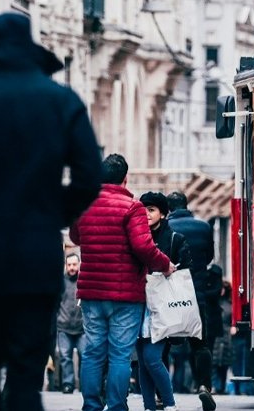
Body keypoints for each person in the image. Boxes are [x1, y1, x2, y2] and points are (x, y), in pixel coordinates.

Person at [0, 11, 104, 411]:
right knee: (26, 370)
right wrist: (56, 213)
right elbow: (89, 174)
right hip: (35, 252)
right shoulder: (61, 101)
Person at [72, 156, 174, 411]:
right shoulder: (132, 207)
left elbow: (75, 236)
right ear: (125, 178)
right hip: (125, 296)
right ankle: (117, 406)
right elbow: (143, 246)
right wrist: (166, 264)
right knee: (119, 355)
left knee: (93, 352)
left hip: (92, 292)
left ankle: (91, 406)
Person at [166, 191, 221, 411]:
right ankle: (205, 386)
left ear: (168, 208)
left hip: (170, 294)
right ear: (186, 205)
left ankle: (162, 394)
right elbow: (208, 258)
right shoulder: (204, 227)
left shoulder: (165, 229)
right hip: (196, 293)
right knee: (200, 345)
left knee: (163, 344)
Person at [137, 191, 190, 411]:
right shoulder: (137, 235)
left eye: (152, 210)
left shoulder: (175, 238)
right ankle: (149, 406)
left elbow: (187, 271)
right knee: (141, 360)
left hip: (164, 306)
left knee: (151, 357)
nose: (147, 214)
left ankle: (169, 403)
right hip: (139, 304)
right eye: (144, 210)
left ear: (163, 213)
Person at [56, 252, 88, 394]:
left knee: (85, 356)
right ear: (65, 265)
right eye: (69, 265)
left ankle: (85, 385)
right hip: (63, 327)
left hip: (82, 328)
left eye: (74, 264)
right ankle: (68, 384)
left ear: (79, 264)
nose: (72, 267)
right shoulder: (60, 282)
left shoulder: (84, 281)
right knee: (65, 357)